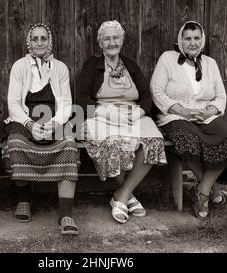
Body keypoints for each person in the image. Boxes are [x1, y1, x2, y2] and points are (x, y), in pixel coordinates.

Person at [77, 21, 167, 224]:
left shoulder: (131, 65)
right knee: (112, 143)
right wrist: (106, 113)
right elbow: (82, 99)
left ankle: (122, 194)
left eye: (115, 38)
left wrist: (139, 112)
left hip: (131, 115)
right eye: (106, 38)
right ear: (100, 43)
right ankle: (129, 197)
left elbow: (146, 96)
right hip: (101, 115)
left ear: (122, 40)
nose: (111, 42)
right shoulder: (92, 65)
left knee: (153, 140)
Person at [150, 21, 227, 219]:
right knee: (187, 137)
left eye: (196, 38)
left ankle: (203, 190)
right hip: (174, 115)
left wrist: (209, 112)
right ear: (180, 40)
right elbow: (156, 90)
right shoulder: (168, 59)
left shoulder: (210, 63)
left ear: (202, 40)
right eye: (188, 38)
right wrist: (182, 110)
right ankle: (209, 190)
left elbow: (220, 96)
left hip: (203, 116)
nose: (192, 42)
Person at [2, 23, 79, 235]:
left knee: (69, 146)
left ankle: (66, 213)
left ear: (49, 41)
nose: (39, 43)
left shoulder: (60, 68)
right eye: (35, 39)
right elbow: (14, 103)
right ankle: (24, 199)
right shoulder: (20, 66)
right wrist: (30, 124)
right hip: (24, 119)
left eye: (43, 38)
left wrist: (54, 124)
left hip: (54, 120)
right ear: (29, 42)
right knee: (16, 144)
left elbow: (65, 103)